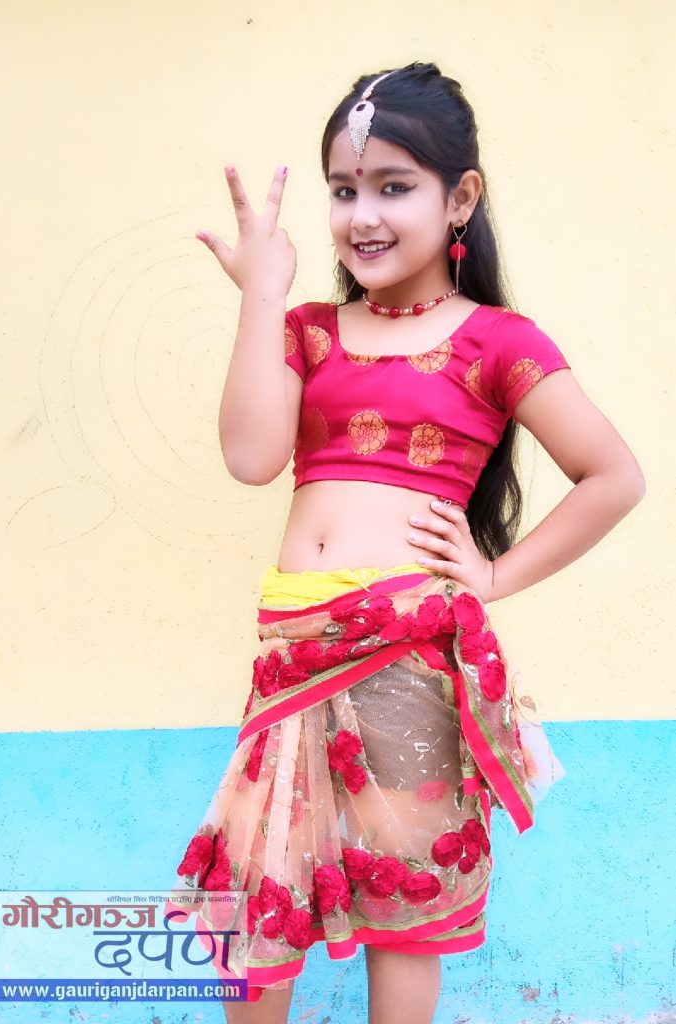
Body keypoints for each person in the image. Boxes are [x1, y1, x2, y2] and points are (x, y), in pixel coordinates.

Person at [170, 62, 645, 1024]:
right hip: (294, 655)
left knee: (404, 912)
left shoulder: (497, 342)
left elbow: (614, 477)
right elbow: (251, 458)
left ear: (459, 197)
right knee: (257, 901)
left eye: (393, 186)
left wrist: (493, 574)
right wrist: (262, 294)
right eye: (344, 191)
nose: (362, 216)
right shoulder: (307, 332)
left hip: (405, 663)